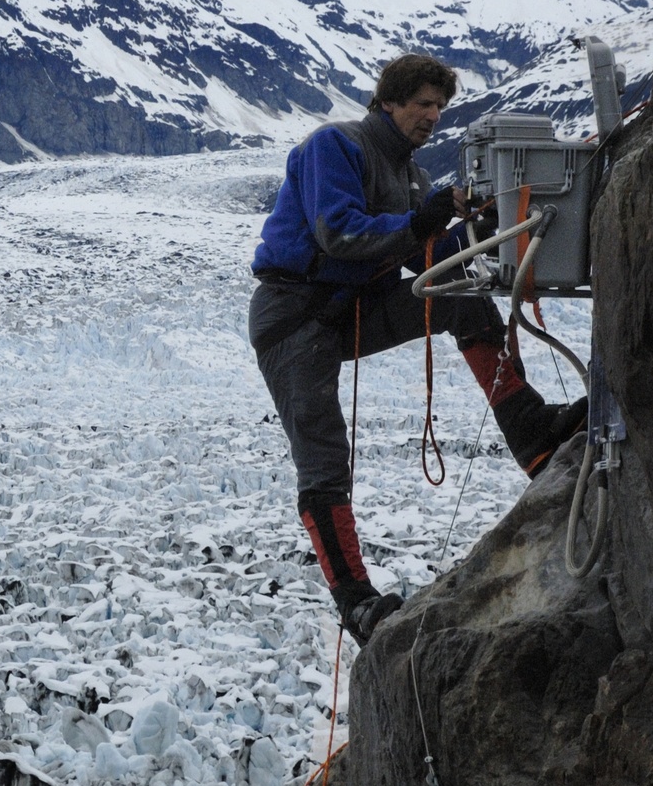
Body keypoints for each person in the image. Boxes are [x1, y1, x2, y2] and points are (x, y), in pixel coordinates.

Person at [249, 54, 586, 643]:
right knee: (324, 454)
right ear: (390, 101)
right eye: (422, 104)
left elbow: (421, 260)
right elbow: (338, 230)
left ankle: (532, 436)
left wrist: (473, 231)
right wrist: (423, 223)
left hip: (347, 309)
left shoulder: (412, 180)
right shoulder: (337, 145)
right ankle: (354, 600)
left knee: (461, 299)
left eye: (439, 107)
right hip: (293, 314)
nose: (431, 116)